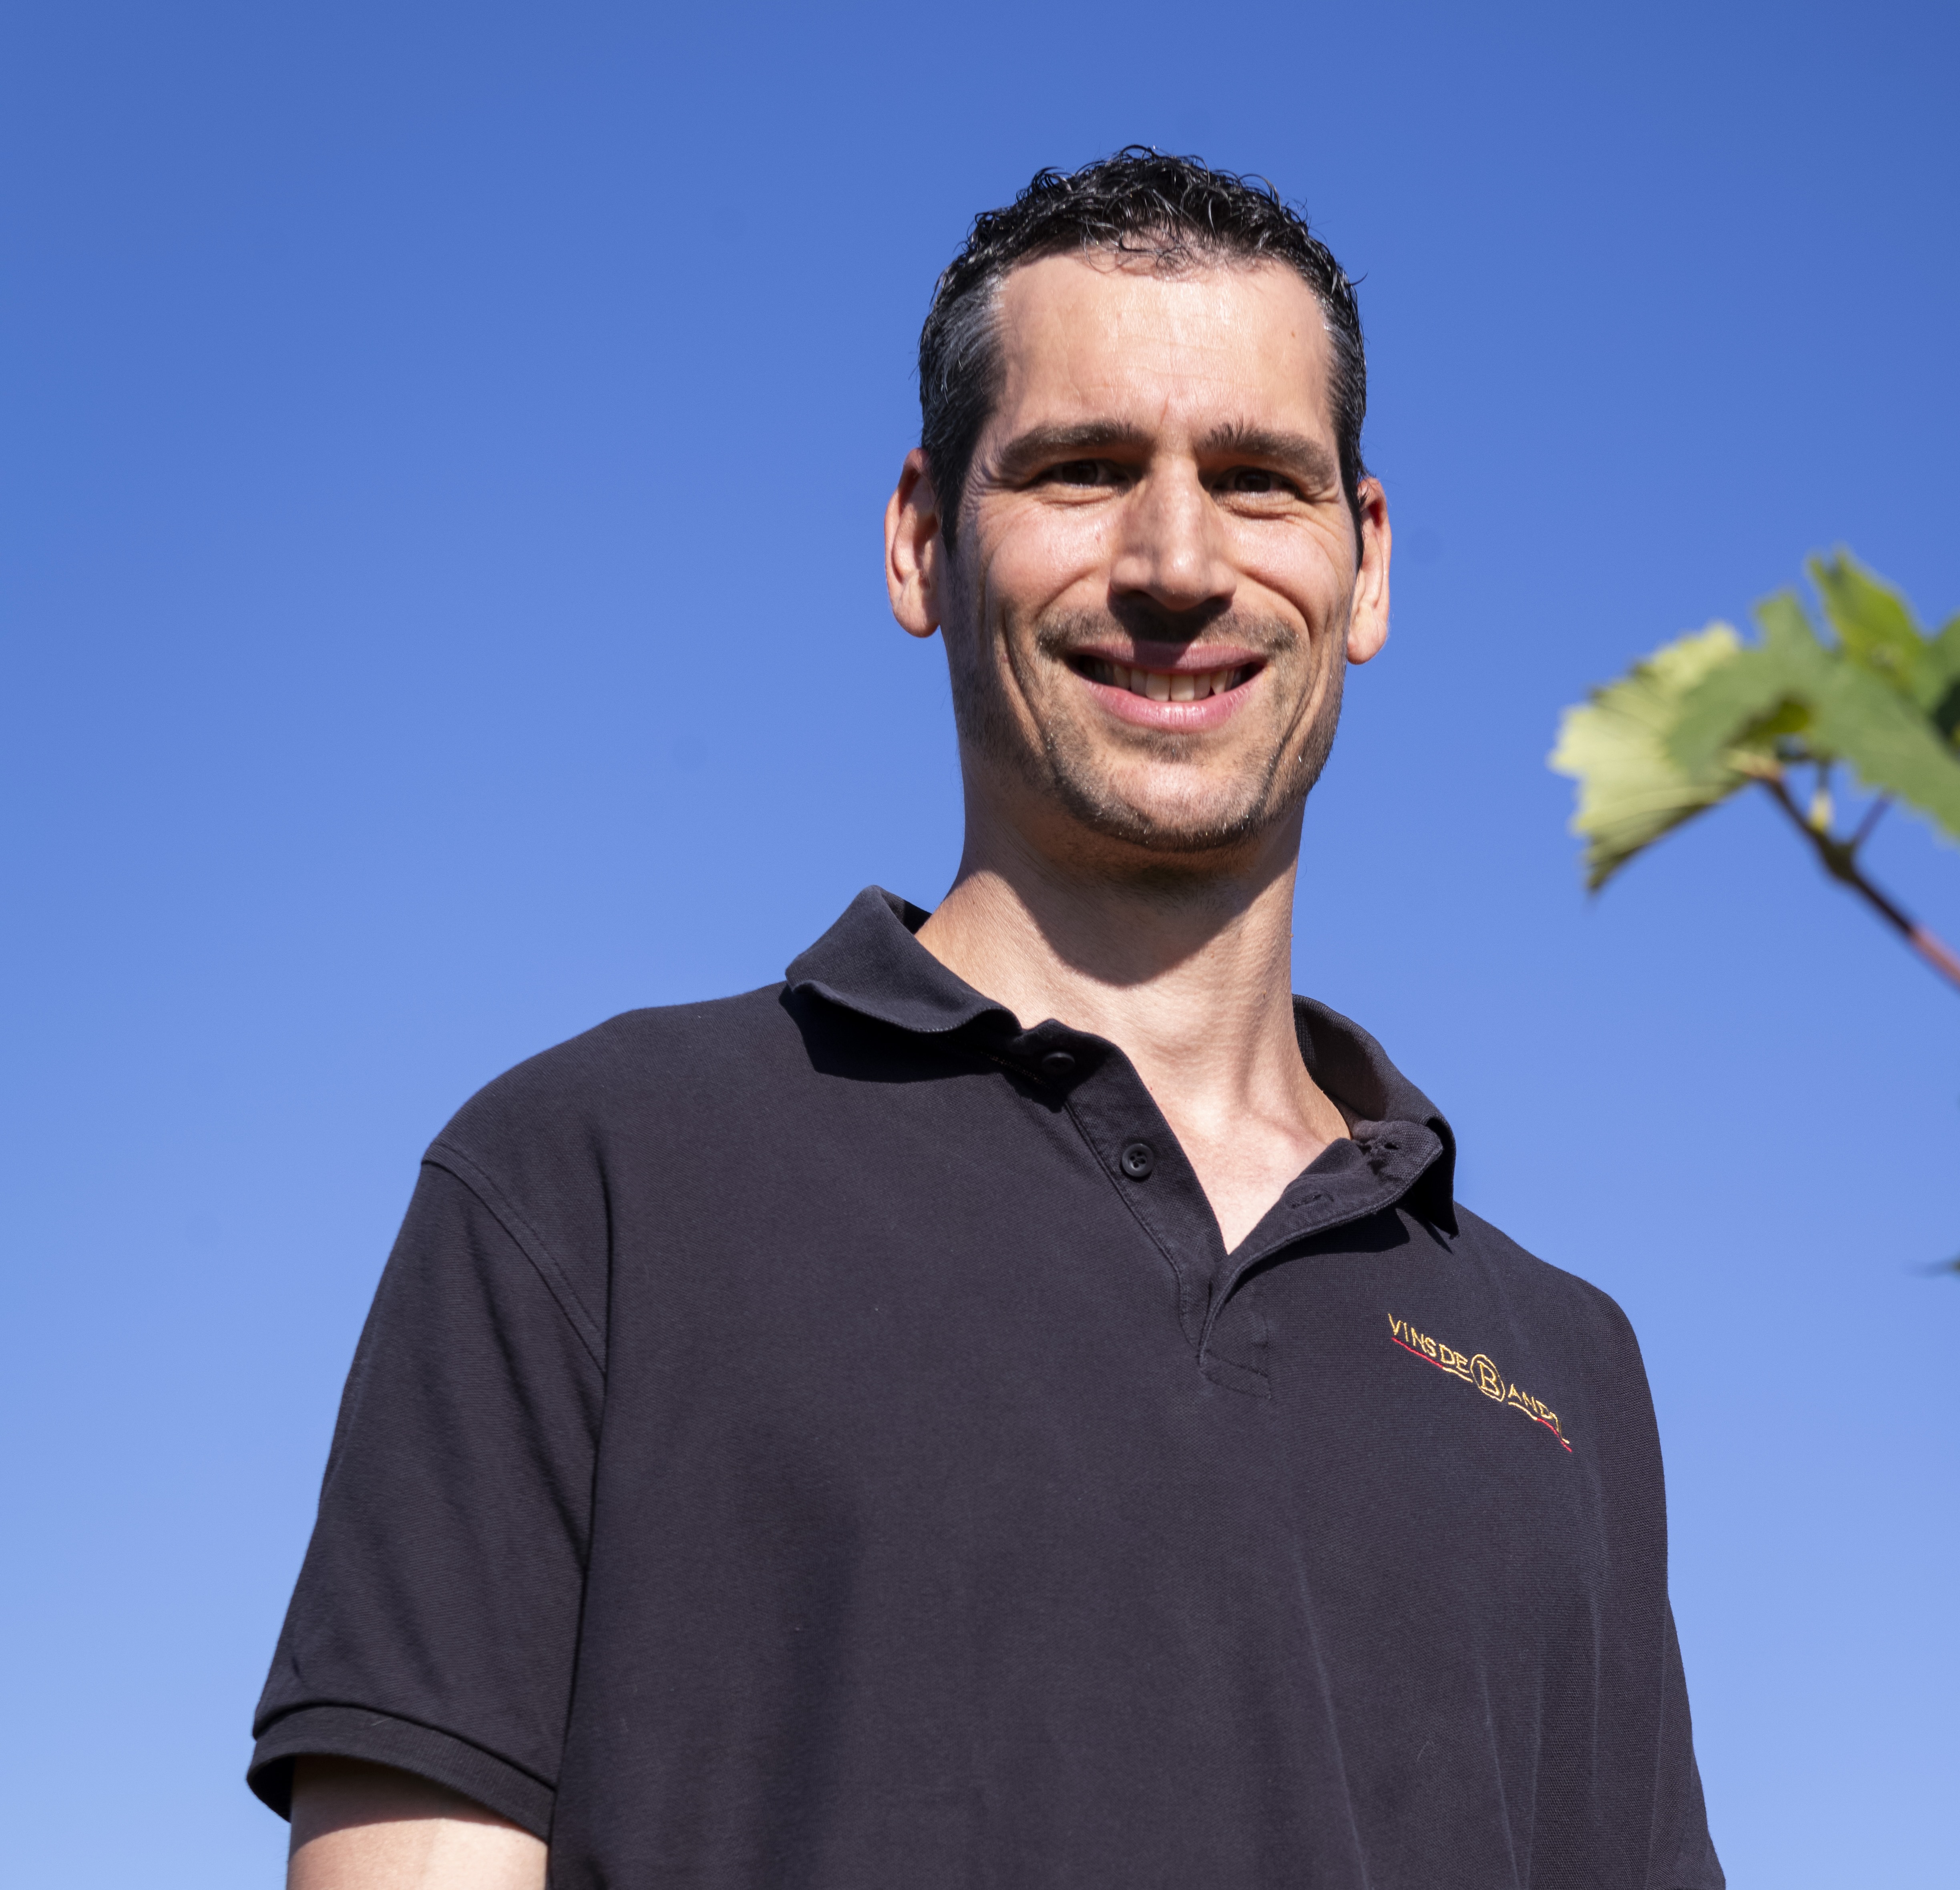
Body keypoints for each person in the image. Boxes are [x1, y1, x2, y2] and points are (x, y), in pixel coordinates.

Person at [252, 149, 1726, 1890]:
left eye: (1257, 481)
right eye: (1083, 469)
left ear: (1368, 564)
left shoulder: (1564, 1368)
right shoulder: (594, 1179)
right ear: (921, 539)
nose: (1176, 562)